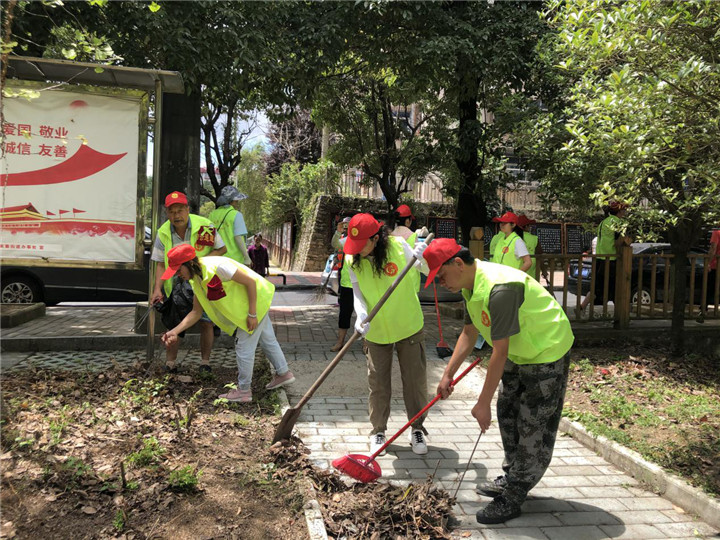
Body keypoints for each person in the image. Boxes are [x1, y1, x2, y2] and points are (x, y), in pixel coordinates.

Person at [422, 238, 574, 524]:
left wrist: (482, 403)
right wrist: (447, 374)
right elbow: (470, 332)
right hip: (520, 349)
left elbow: (498, 351)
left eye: (441, 277)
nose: (441, 284)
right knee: (507, 412)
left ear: (458, 263)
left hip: (545, 349)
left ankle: (515, 494)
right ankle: (513, 474)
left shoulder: (500, 288)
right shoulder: (470, 286)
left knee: (532, 421)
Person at [159, 244, 295, 402]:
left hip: (253, 305)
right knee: (267, 340)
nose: (177, 274)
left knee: (243, 348)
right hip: (250, 307)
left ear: (189, 263)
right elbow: (196, 312)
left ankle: (244, 391)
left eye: (178, 270)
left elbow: (250, 282)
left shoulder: (217, 267)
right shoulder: (196, 279)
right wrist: (174, 331)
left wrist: (252, 314)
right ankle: (283, 373)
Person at [343, 213, 430, 456]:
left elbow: (425, 270)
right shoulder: (352, 259)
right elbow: (357, 292)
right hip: (377, 330)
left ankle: (417, 428)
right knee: (378, 383)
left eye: (363, 246)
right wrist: (360, 316)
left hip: (408, 325)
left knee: (414, 382)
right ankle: (378, 431)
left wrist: (422, 257)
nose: (359, 251)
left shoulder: (398, 247)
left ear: (376, 238)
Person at [150, 191, 226, 373]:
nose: (177, 215)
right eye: (172, 212)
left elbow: (221, 249)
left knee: (206, 322)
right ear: (167, 213)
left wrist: (198, 265)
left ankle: (205, 363)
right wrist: (157, 289)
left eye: (180, 210)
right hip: (175, 284)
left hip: (201, 282)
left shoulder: (204, 226)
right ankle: (170, 363)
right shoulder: (163, 232)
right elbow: (160, 264)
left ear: (188, 209)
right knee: (174, 322)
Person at [579, 201, 629, 312]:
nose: (625, 212)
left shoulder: (603, 222)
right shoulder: (619, 223)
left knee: (596, 287)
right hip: (611, 259)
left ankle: (582, 306)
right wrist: (626, 241)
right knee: (616, 287)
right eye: (624, 210)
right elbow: (617, 242)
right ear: (620, 211)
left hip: (599, 258)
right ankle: (620, 314)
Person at [209, 185, 251, 265]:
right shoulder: (236, 215)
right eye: (236, 200)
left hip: (216, 260)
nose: (237, 203)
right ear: (231, 201)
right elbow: (238, 237)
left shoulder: (212, 215)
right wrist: (247, 257)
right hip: (233, 261)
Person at [330, 216, 354, 352]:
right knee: (344, 313)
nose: (348, 227)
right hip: (346, 284)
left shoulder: (364, 241)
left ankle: (366, 343)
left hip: (362, 284)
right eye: (346, 225)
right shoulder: (346, 240)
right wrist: (338, 232)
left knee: (365, 314)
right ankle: (340, 342)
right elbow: (335, 244)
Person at [516, 215, 548, 282]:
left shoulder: (511, 238)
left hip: (516, 271)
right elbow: (540, 256)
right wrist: (544, 271)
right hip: (531, 273)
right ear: (526, 226)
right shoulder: (534, 239)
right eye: (529, 226)